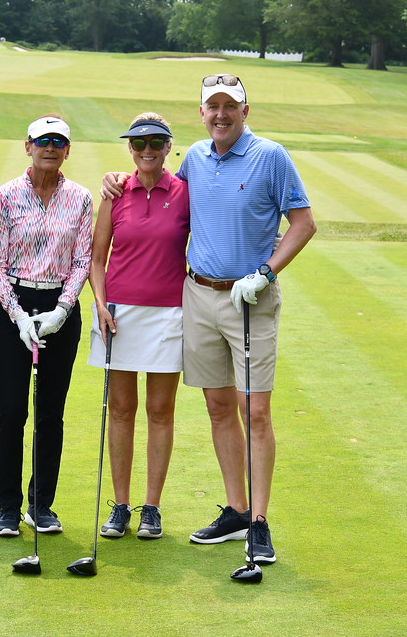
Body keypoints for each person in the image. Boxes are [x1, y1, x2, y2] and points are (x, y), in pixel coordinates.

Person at [103, 73, 316, 565]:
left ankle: (259, 524)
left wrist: (265, 273)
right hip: (197, 297)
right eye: (212, 106)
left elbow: (303, 223)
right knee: (219, 407)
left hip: (250, 300)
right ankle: (237, 511)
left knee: (254, 411)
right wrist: (113, 179)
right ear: (201, 114)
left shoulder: (271, 156)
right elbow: (152, 184)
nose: (220, 114)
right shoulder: (195, 159)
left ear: (246, 111)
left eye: (230, 106)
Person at [0, 115, 93, 538]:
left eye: (59, 141)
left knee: (51, 414)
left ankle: (41, 505)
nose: (50, 147)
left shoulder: (81, 199)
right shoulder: (6, 196)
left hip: (59, 312)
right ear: (28, 145)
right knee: (11, 411)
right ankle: (8, 508)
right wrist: (16, 315)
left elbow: (83, 261)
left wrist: (62, 310)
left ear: (67, 150)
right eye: (43, 140)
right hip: (12, 305)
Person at [87, 113, 189, 540]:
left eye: (156, 143)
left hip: (170, 313)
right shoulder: (115, 192)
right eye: (138, 144)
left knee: (160, 411)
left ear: (168, 147)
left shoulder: (186, 192)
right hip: (118, 314)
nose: (147, 150)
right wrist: (99, 304)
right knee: (123, 410)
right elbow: (96, 259)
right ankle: (121, 505)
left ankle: (152, 507)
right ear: (130, 149)